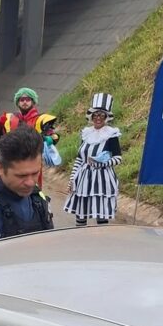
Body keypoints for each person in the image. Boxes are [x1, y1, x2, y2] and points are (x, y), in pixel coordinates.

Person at [64, 92, 122, 226]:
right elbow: (80, 159)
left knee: (101, 211)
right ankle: (81, 235)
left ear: (106, 117)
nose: (98, 118)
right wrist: (72, 178)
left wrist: (102, 164)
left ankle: (101, 237)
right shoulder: (86, 133)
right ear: (91, 116)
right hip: (84, 177)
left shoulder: (111, 134)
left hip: (102, 179)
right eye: (95, 115)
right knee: (81, 212)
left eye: (101, 115)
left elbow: (118, 158)